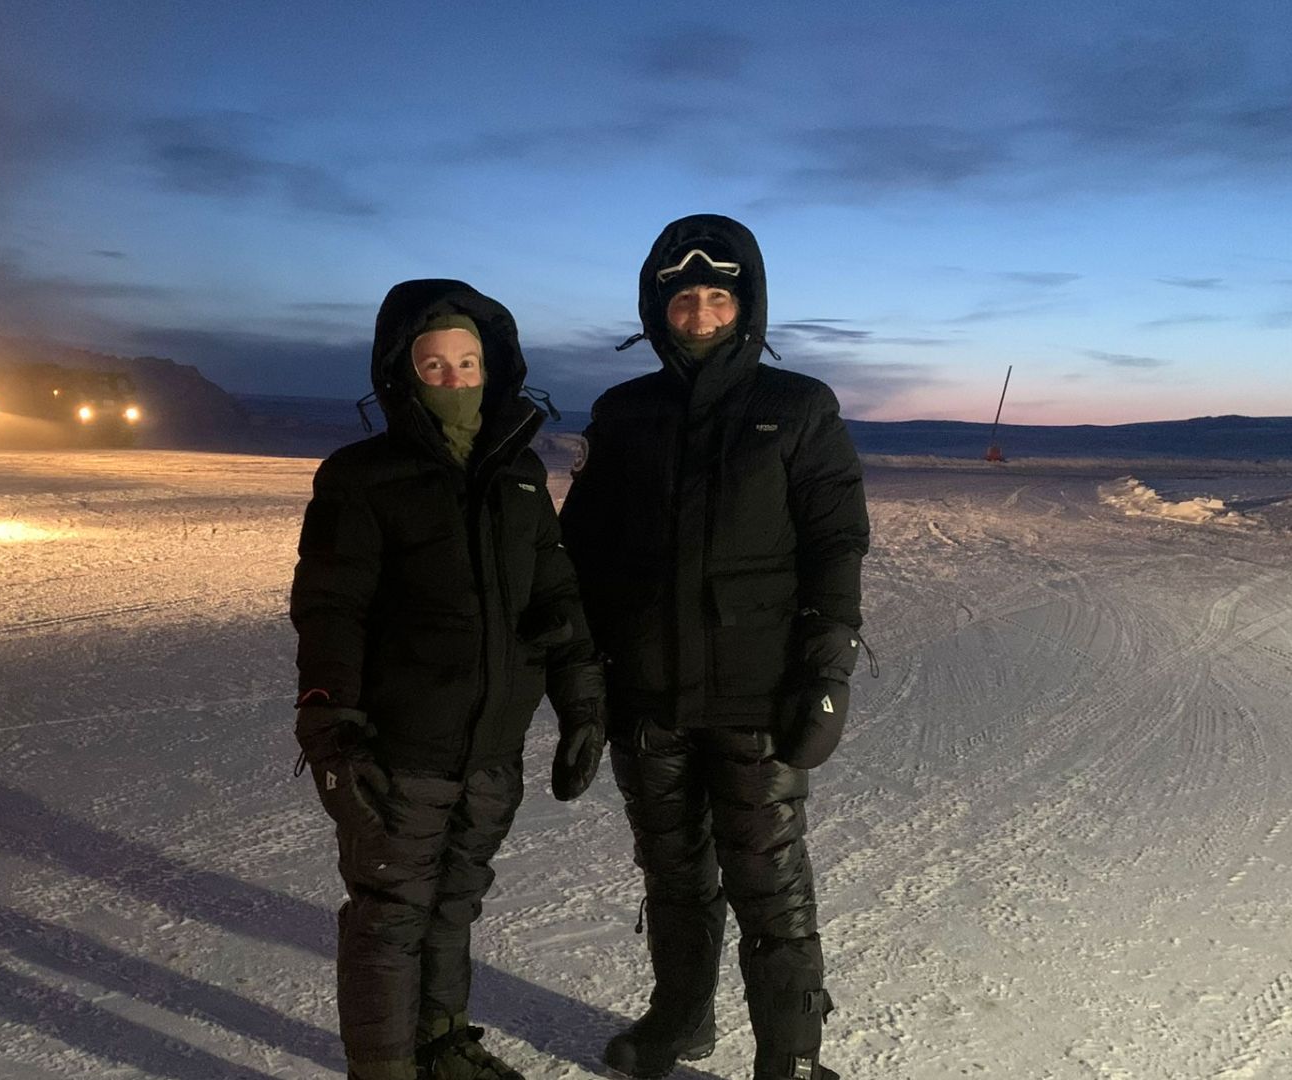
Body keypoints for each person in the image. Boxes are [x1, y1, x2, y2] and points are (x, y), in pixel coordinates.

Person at [560, 215, 868, 1080]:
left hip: (757, 698)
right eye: (684, 300)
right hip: (649, 698)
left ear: (748, 307)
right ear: (658, 311)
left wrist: (827, 670)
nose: (699, 316)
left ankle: (791, 1055)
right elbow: (580, 557)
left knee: (769, 883)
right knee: (674, 877)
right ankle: (680, 1019)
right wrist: (584, 684)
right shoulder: (626, 414)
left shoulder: (798, 409)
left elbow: (836, 544)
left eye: (718, 298)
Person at [291, 279, 607, 1080]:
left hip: (493, 748)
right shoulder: (361, 476)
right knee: (392, 918)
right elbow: (331, 608)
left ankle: (440, 1042)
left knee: (455, 904)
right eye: (436, 365)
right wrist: (329, 723)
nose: (456, 380)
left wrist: (582, 705)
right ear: (403, 374)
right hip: (402, 747)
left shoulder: (521, 473)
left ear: (495, 367)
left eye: (469, 362)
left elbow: (556, 595)